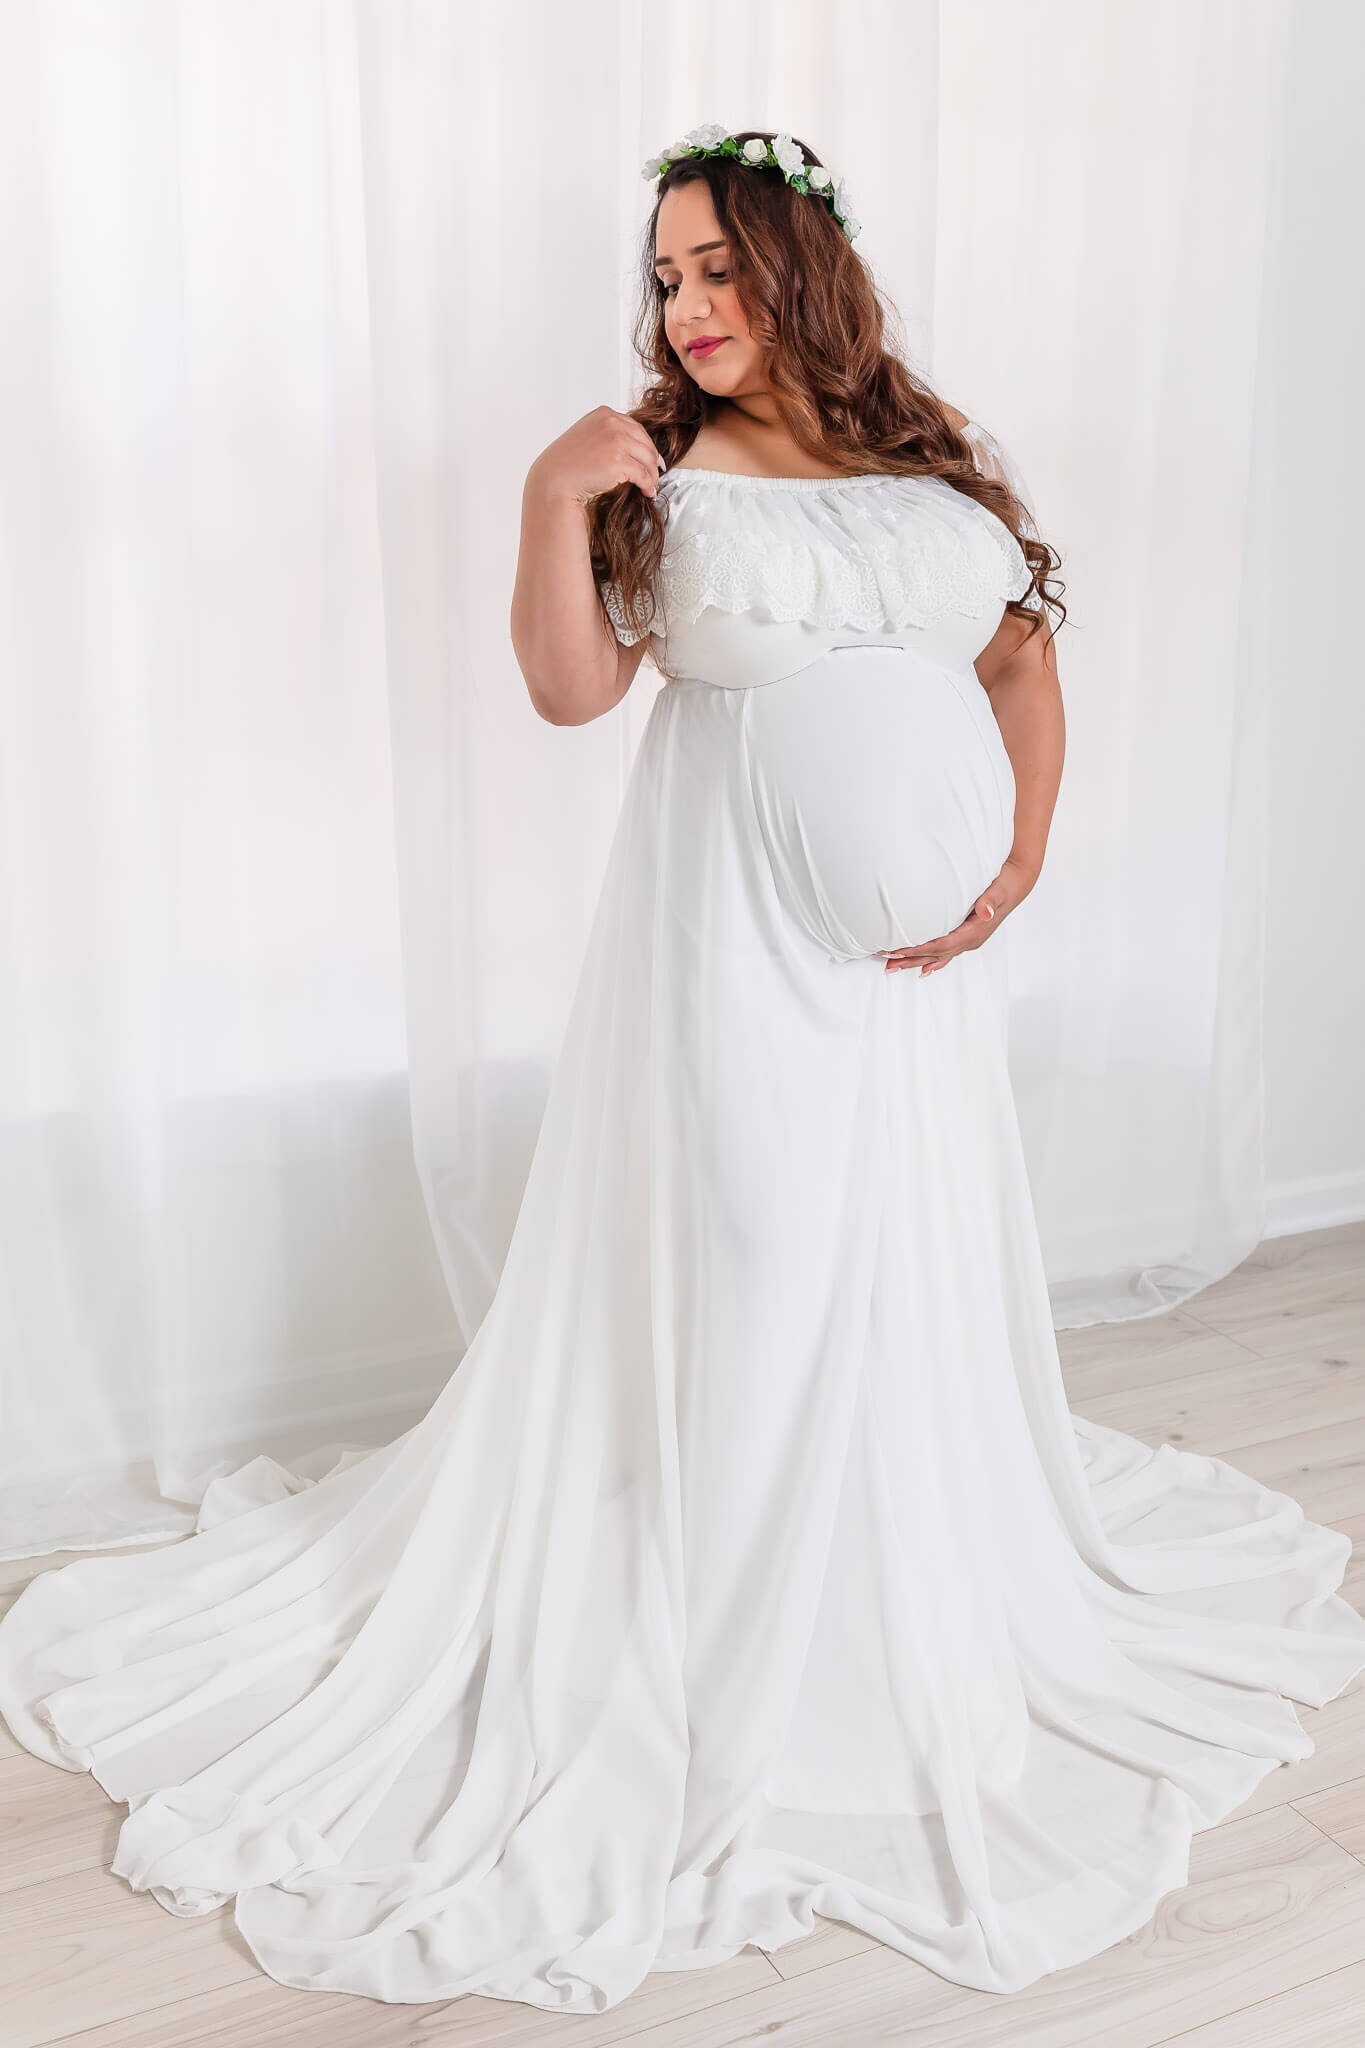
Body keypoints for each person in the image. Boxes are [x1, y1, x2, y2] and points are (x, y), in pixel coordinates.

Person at [1, 124, 1362, 2018]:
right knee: (744, 1256)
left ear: (803, 271)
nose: (687, 306)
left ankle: (877, 1579)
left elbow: (1021, 664)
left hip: (906, 998)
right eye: (664, 275)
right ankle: (721, 1628)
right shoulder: (652, 465)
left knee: (887, 1269)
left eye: (717, 267)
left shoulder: (924, 462)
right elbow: (568, 691)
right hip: (726, 971)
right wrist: (549, 498)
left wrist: (1020, 853)